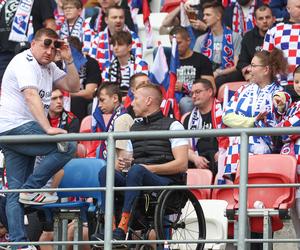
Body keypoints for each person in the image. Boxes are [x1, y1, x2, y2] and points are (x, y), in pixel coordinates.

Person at [0, 28, 79, 248]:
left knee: (14, 192)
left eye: (54, 45)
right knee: (68, 146)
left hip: (13, 131)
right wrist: (48, 128)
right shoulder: (24, 61)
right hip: (16, 127)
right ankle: (33, 188)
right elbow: (30, 95)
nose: (49, 49)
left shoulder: (50, 66)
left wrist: (69, 60)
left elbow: (74, 87)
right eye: (45, 43)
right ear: (33, 43)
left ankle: (19, 244)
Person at [94, 83, 188, 241]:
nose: (131, 103)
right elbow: (128, 163)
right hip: (138, 180)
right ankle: (108, 225)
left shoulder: (174, 125)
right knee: (107, 171)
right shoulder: (134, 128)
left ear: (148, 101)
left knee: (137, 170)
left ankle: (123, 228)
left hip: (166, 185)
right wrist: (124, 163)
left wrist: (147, 169)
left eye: (135, 98)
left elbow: (182, 165)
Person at [222, 48, 290, 179]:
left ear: (266, 70)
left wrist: (280, 105)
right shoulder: (243, 89)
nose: (249, 69)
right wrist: (252, 122)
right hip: (236, 150)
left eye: (253, 66)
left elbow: (280, 112)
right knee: (238, 195)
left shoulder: (279, 92)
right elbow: (227, 117)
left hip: (263, 153)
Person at [0, 0, 56, 85]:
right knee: (5, 90)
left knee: (29, 88)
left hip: (29, 53)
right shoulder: (4, 1)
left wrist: (48, 49)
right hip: (4, 54)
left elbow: (50, 25)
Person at [183, 78, 228, 180]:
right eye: (192, 93)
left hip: (220, 159)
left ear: (210, 92)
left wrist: (224, 152)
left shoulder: (225, 111)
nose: (194, 96)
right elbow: (185, 147)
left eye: (198, 92)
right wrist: (195, 158)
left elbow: (234, 139)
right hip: (198, 161)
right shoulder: (188, 119)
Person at [276, 65, 300, 248]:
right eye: (297, 81)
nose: (298, 85)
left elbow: (285, 133)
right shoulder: (295, 105)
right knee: (294, 215)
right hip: (292, 168)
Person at [193, 1, 242, 91]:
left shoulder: (235, 37)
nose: (204, 18)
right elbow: (195, 65)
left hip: (226, 76)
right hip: (205, 77)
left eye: (208, 15)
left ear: (218, 16)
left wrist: (218, 73)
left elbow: (236, 66)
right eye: (204, 15)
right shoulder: (201, 40)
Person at [169, 26, 214, 114]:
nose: (175, 47)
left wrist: (186, 87)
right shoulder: (168, 61)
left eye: (178, 43)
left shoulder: (202, 59)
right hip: (173, 97)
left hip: (193, 98)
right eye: (172, 44)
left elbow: (211, 88)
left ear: (188, 41)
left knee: (185, 102)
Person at [226, 4, 275, 82]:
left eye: (267, 17)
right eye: (261, 18)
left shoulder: (280, 34)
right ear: (255, 21)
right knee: (223, 80)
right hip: (253, 72)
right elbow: (242, 61)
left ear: (274, 19)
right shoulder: (248, 37)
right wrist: (248, 70)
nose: (265, 21)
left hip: (274, 72)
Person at [84, 6, 142, 72]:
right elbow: (92, 63)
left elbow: (137, 62)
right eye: (114, 17)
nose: (118, 20)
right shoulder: (98, 38)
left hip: (127, 75)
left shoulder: (133, 37)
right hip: (102, 77)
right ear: (106, 20)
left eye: (121, 17)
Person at [263, 0, 300, 101]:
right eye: (299, 7)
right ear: (288, 9)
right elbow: (264, 60)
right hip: (282, 87)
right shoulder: (275, 30)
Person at [93, 82, 134, 160]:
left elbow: (121, 157)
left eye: (102, 100)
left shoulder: (122, 119)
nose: (99, 105)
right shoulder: (118, 116)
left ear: (115, 98)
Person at [101, 31, 148, 97]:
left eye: (120, 44)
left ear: (129, 47)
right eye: (114, 45)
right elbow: (104, 89)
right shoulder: (108, 66)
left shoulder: (140, 65)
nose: (116, 48)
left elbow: (143, 90)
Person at [67, 36, 101, 122]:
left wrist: (67, 94)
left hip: (83, 101)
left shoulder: (91, 63)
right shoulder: (59, 63)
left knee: (77, 101)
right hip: (63, 99)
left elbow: (90, 93)